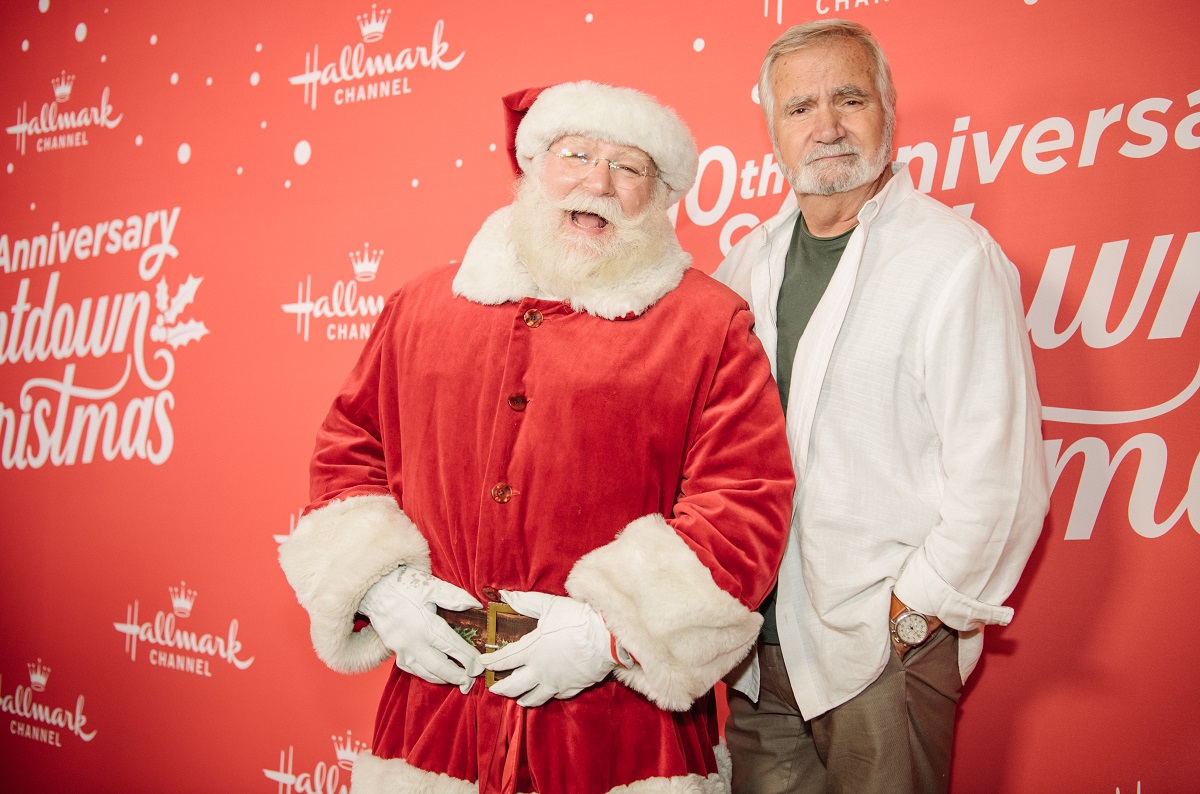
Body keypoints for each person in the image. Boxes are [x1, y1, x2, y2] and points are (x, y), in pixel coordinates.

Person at [278, 80, 795, 793]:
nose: (599, 182)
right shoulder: (421, 307)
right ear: (533, 168)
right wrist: (384, 588)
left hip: (618, 730)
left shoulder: (707, 326)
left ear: (663, 196)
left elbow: (743, 501)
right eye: (576, 153)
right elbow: (349, 450)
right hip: (439, 717)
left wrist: (606, 634)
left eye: (630, 167)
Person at [714, 20, 1050, 794]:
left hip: (882, 650)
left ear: (888, 111)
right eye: (799, 107)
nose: (825, 125)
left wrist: (914, 612)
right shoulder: (744, 266)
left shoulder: (951, 260)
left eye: (849, 98)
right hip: (758, 658)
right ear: (772, 130)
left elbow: (1001, 477)